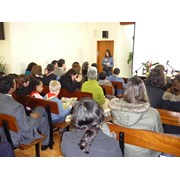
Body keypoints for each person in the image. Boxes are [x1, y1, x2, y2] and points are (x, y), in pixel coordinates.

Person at [109, 76, 163, 157]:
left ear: (126, 90)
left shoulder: (115, 109)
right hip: (143, 155)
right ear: (143, 91)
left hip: (120, 151)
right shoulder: (153, 114)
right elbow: (160, 140)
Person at [0, 75, 50, 151]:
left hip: (4, 132)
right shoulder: (17, 107)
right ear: (11, 89)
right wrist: (31, 116)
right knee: (40, 110)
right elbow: (26, 128)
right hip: (17, 136)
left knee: (42, 119)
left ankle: (46, 142)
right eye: (14, 83)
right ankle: (46, 143)